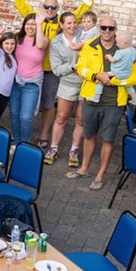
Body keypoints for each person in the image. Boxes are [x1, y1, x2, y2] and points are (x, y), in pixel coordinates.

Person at [13, 0, 98, 149]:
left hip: (52, 70)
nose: (50, 10)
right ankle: (22, 132)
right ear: (42, 6)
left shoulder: (62, 22)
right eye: (47, 7)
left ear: (57, 10)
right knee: (25, 104)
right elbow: (20, 3)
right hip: (33, 70)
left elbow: (81, 11)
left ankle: (44, 134)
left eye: (53, 8)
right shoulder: (36, 17)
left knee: (48, 104)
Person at [69, 17, 136, 190]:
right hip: (91, 98)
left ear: (116, 30)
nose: (107, 31)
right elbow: (81, 67)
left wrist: (115, 81)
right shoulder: (90, 45)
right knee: (89, 135)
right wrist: (96, 76)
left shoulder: (125, 48)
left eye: (111, 28)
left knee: (108, 139)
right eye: (104, 27)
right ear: (99, 27)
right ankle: (84, 168)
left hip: (114, 102)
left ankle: (100, 174)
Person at [46, 13, 85, 167]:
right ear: (61, 25)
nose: (72, 26)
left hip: (86, 84)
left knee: (81, 119)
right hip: (67, 83)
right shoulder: (56, 43)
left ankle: (74, 150)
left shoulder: (85, 36)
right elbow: (56, 69)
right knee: (61, 117)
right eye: (68, 23)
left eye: (75, 22)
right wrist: (73, 67)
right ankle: (54, 148)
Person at [9, 12, 50, 146]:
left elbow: (39, 45)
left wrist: (39, 24)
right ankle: (16, 140)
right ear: (23, 25)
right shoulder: (17, 39)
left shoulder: (44, 40)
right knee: (14, 114)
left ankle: (24, 144)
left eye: (33, 24)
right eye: (28, 24)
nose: (30, 27)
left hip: (31, 84)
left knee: (26, 117)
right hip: (16, 81)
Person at [93, 30, 136, 104]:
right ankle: (135, 100)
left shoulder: (120, 52)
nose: (116, 44)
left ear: (126, 43)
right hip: (127, 74)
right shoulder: (133, 50)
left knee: (101, 80)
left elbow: (113, 60)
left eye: (118, 43)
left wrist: (108, 56)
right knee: (128, 86)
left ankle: (96, 98)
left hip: (116, 73)